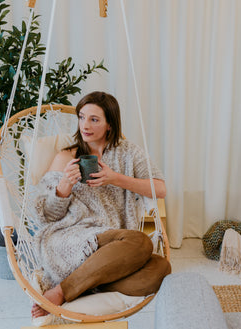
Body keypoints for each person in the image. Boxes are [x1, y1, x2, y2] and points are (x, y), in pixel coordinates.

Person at [31, 91, 171, 318]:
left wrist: (116, 178)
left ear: (109, 125)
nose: (85, 125)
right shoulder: (67, 156)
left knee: (161, 268)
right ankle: (61, 291)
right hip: (71, 238)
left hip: (111, 241)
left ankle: (86, 284)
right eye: (82, 117)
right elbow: (46, 216)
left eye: (94, 119)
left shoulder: (129, 153)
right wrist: (65, 184)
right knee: (140, 242)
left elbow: (160, 189)